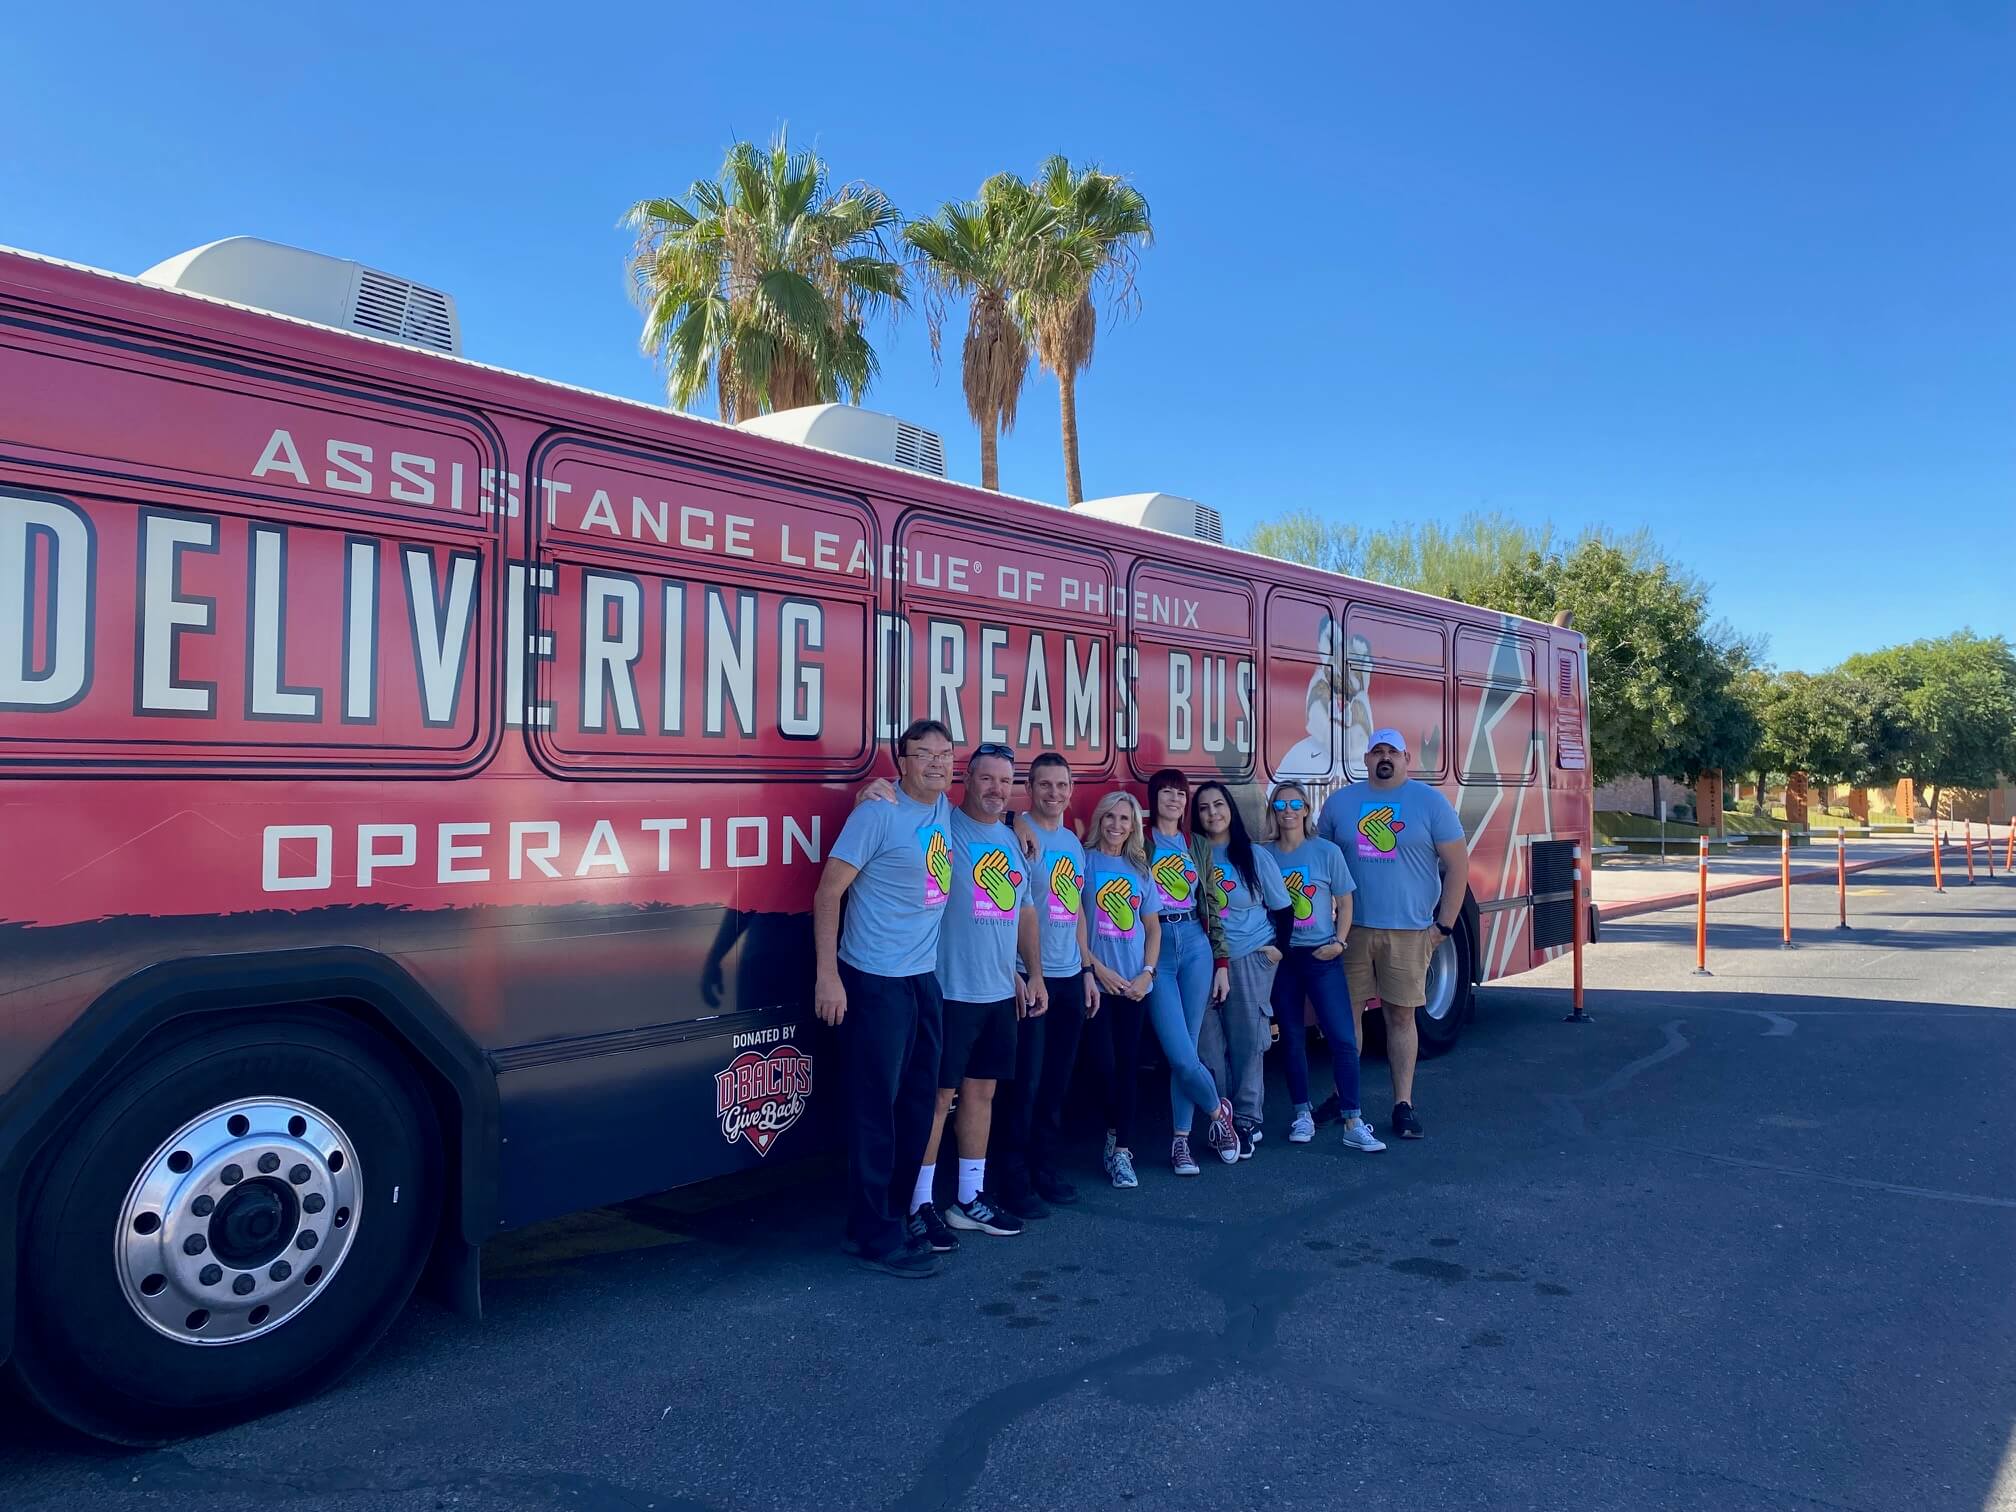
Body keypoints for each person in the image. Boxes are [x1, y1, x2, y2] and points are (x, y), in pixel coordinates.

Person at [813, 718, 957, 1278]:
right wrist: (829, 976)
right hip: (874, 982)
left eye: (945, 755)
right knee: (876, 1112)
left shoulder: (942, 808)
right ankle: (872, 1236)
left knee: (919, 1106)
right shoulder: (877, 813)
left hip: (924, 978)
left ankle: (890, 1218)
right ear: (901, 762)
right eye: (924, 755)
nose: (937, 764)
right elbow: (827, 895)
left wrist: (1021, 827)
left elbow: (991, 811)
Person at [905, 741, 1048, 1250]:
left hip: (996, 991)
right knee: (937, 1099)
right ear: (967, 778)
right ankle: (918, 1203)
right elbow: (908, 792)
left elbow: (1026, 912)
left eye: (1005, 782)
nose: (995, 790)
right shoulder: (943, 819)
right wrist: (873, 792)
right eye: (987, 779)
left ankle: (969, 1198)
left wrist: (1032, 973)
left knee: (982, 1094)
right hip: (950, 990)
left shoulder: (1011, 839)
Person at [1316, 728, 1469, 1141]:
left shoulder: (1430, 803)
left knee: (1401, 1016)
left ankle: (1403, 1104)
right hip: (1350, 931)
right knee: (1345, 1019)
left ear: (1406, 758)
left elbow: (1458, 866)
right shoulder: (1340, 804)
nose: (1384, 758)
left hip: (1409, 931)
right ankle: (1342, 1096)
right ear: (1365, 759)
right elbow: (1319, 864)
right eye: (1376, 751)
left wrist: (1444, 926)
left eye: (1393, 752)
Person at [990, 752, 1098, 1217]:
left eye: (1062, 785)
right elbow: (1005, 910)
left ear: (1071, 790)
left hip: (1069, 976)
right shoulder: (1015, 835)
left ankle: (1044, 1169)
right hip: (1030, 979)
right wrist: (1016, 972)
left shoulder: (1072, 843)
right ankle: (1012, 1181)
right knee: (1024, 1086)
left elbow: (1075, 912)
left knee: (1056, 1082)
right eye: (1045, 785)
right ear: (1029, 789)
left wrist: (1087, 970)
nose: (1055, 793)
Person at [1263, 780, 1388, 1153]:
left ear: (1306, 810)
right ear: (1273, 811)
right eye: (1280, 804)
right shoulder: (1264, 855)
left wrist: (1339, 942)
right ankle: (1302, 1114)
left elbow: (1345, 901)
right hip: (1284, 960)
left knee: (1343, 1038)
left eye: (1295, 804)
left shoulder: (1326, 852)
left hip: (1322, 956)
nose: (1287, 810)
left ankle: (1352, 1119)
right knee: (1291, 1039)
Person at [1141, 768, 1239, 1175]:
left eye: (1180, 794)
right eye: (1166, 793)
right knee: (1180, 1055)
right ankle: (1220, 1114)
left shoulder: (1196, 844)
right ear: (1153, 800)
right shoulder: (1140, 844)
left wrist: (1221, 963)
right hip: (1157, 945)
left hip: (1195, 944)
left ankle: (1180, 1142)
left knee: (1191, 1045)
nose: (1174, 800)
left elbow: (1212, 905)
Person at [1192, 782, 1291, 1159]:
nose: (1212, 813)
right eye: (1203, 808)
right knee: (1207, 1043)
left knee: (1249, 1041)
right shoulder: (1192, 854)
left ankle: (1248, 1120)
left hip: (1250, 956)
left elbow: (1283, 909)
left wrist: (1276, 951)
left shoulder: (1252, 855)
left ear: (1230, 809)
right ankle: (1224, 1116)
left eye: (1219, 805)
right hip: (1203, 961)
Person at [1080, 791, 1158, 1189]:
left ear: (1134, 826)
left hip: (1133, 987)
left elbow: (1153, 927)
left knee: (1128, 1069)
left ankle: (1121, 1149)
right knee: (1104, 1066)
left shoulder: (1141, 870)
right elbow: (1073, 919)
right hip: (1097, 985)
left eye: (1124, 819)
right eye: (1109, 817)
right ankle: (1112, 1136)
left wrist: (1148, 973)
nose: (1116, 825)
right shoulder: (1083, 859)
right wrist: (1093, 967)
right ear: (1099, 819)